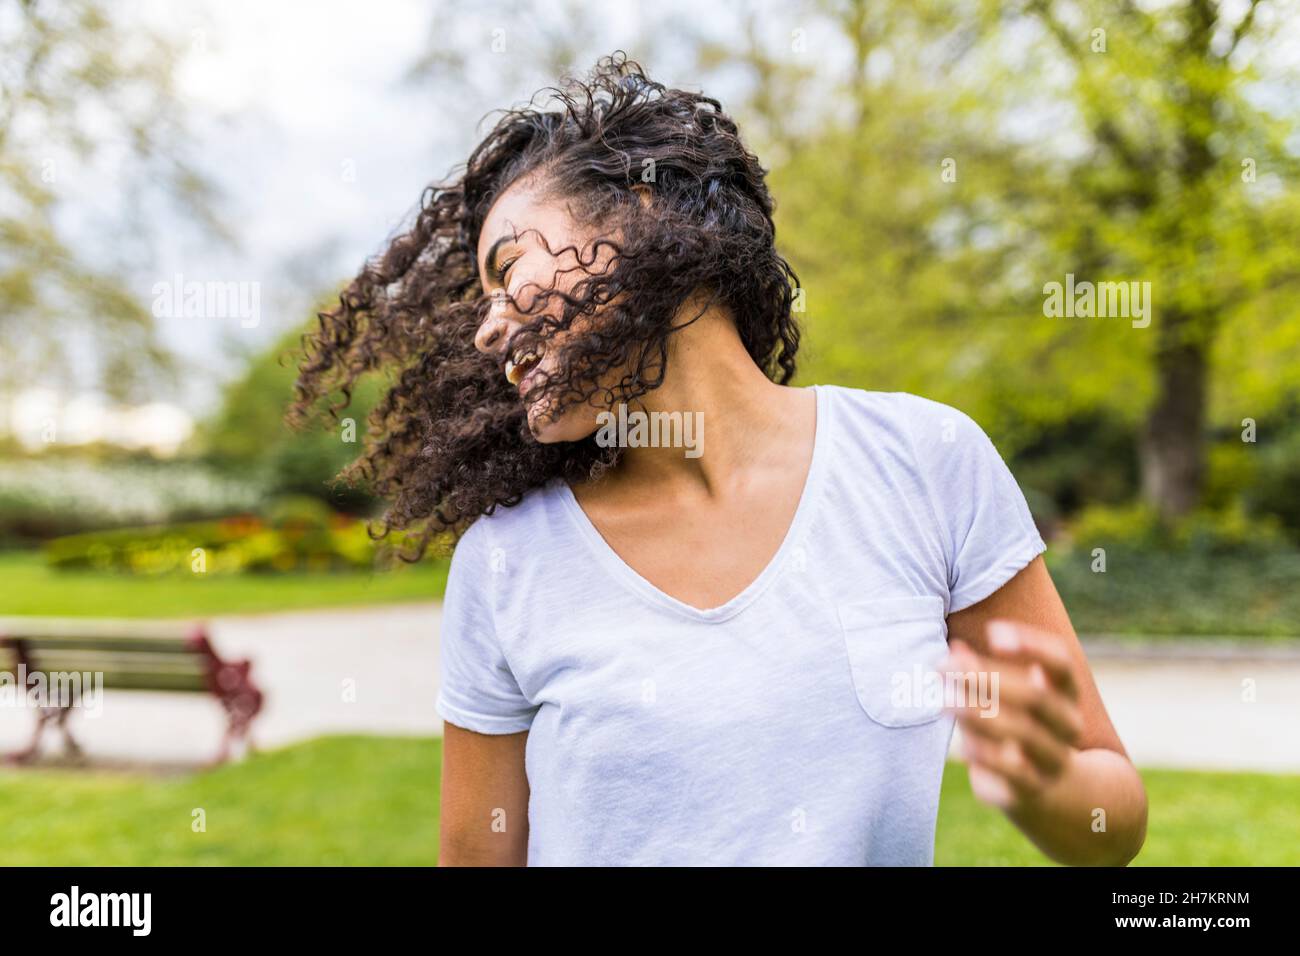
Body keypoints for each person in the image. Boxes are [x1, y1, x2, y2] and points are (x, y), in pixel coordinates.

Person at [291, 52, 1147, 867]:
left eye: (508, 269)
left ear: (645, 211)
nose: (486, 330)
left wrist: (1043, 782)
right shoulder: (509, 560)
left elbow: (1112, 823)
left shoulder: (925, 464)